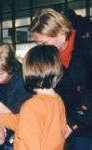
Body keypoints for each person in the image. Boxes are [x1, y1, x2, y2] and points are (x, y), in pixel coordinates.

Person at [29, 8, 92, 150]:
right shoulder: (53, 57)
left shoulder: (87, 50)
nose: (41, 49)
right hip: (67, 127)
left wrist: (72, 123)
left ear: (61, 35)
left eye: (44, 43)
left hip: (85, 129)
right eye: (37, 44)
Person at [0, 45, 67, 150]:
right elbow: (25, 123)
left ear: (28, 73)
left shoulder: (31, 105)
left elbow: (31, 142)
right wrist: (0, 118)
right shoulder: (57, 101)